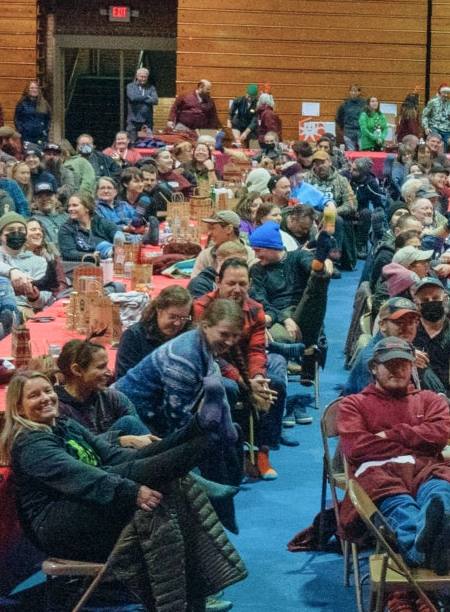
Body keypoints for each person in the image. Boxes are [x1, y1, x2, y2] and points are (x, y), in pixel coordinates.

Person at [0, 370, 247, 612]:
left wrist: (138, 479)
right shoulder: (31, 445)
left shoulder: (66, 426)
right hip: (59, 526)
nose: (45, 398)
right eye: (34, 395)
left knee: (145, 469)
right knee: (145, 487)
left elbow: (116, 456)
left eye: (48, 391)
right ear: (18, 408)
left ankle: (203, 426)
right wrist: (132, 491)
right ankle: (210, 439)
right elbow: (82, 477)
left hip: (86, 502)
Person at [337, 336, 450, 585]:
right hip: (380, 475)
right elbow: (358, 449)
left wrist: (391, 435)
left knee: (440, 490)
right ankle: (429, 548)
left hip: (425, 470)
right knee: (398, 502)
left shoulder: (430, 399)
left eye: (403, 364)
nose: (397, 370)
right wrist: (416, 439)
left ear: (412, 367)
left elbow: (438, 436)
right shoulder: (353, 404)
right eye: (389, 364)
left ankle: (423, 543)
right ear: (374, 368)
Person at [113, 298, 246, 516]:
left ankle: (219, 507)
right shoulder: (183, 357)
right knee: (195, 451)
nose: (230, 341)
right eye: (224, 334)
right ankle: (206, 500)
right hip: (135, 413)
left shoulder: (202, 345)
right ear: (205, 326)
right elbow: (177, 419)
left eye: (235, 336)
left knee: (222, 439)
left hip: (158, 411)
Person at [193, 259, 284, 481]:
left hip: (246, 367)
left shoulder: (256, 310)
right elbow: (208, 354)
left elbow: (256, 350)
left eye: (242, 284)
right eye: (231, 283)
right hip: (213, 366)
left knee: (275, 382)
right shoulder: (201, 308)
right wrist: (245, 382)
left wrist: (258, 378)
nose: (237, 289)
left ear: (250, 284)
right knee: (230, 388)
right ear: (218, 282)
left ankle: (262, 452)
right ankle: (233, 451)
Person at [248, 218, 335, 384]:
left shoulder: (298, 256)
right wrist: (285, 319)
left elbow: (307, 263)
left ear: (272, 246)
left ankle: (320, 269)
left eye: (258, 250)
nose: (256, 255)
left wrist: (319, 267)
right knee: (279, 337)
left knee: (315, 286)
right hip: (277, 318)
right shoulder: (257, 270)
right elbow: (259, 301)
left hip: (306, 312)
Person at [55, 339, 153, 446]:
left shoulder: (114, 398)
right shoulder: (57, 408)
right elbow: (67, 449)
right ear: (77, 370)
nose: (110, 373)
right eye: (101, 367)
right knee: (128, 422)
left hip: (120, 457)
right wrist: (118, 440)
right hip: (81, 460)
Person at [115, 285, 194, 379]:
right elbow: (124, 379)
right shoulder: (134, 336)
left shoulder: (189, 337)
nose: (177, 323)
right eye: (173, 317)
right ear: (159, 310)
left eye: (183, 318)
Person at [412, 276, 450, 399]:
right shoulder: (408, 330)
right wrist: (406, 353)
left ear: (444, 300)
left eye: (435, 298)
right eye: (425, 300)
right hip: (413, 395)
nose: (431, 302)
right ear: (417, 304)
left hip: (445, 394)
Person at [0, 211, 55, 316]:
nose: (16, 233)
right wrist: (12, 272)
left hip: (23, 310)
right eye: (10, 230)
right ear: (1, 235)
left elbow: (43, 299)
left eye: (21, 230)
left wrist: (34, 297)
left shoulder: (39, 261)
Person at [57, 193, 121, 262]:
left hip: (108, 261)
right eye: (69, 206)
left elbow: (117, 234)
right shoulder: (65, 229)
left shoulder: (100, 222)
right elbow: (69, 253)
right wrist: (91, 256)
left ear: (87, 208)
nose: (70, 209)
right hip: (83, 266)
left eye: (75, 205)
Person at [421, 84, 450, 151]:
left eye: (448, 93)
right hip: (434, 128)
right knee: (433, 148)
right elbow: (425, 115)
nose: (446, 95)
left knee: (443, 150)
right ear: (440, 93)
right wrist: (426, 127)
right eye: (444, 93)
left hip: (446, 131)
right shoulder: (433, 102)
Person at [125, 67, 159, 142]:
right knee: (132, 143)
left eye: (145, 77)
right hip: (133, 121)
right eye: (141, 77)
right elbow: (133, 97)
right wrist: (147, 97)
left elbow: (155, 101)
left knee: (147, 143)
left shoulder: (151, 88)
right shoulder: (131, 86)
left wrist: (139, 98)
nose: (143, 79)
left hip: (147, 122)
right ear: (137, 76)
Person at [13, 81, 50, 145]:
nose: (34, 90)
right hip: (26, 136)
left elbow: (48, 119)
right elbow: (17, 118)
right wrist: (21, 130)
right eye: (32, 88)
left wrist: (45, 130)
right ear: (28, 90)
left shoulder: (44, 104)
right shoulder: (22, 104)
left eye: (36, 88)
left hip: (40, 136)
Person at [335, 83, 366, 151]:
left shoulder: (364, 103)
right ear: (349, 92)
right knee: (350, 151)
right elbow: (339, 117)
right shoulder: (345, 103)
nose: (353, 93)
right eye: (352, 91)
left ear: (359, 92)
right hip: (349, 130)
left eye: (355, 91)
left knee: (362, 149)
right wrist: (343, 128)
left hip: (361, 131)